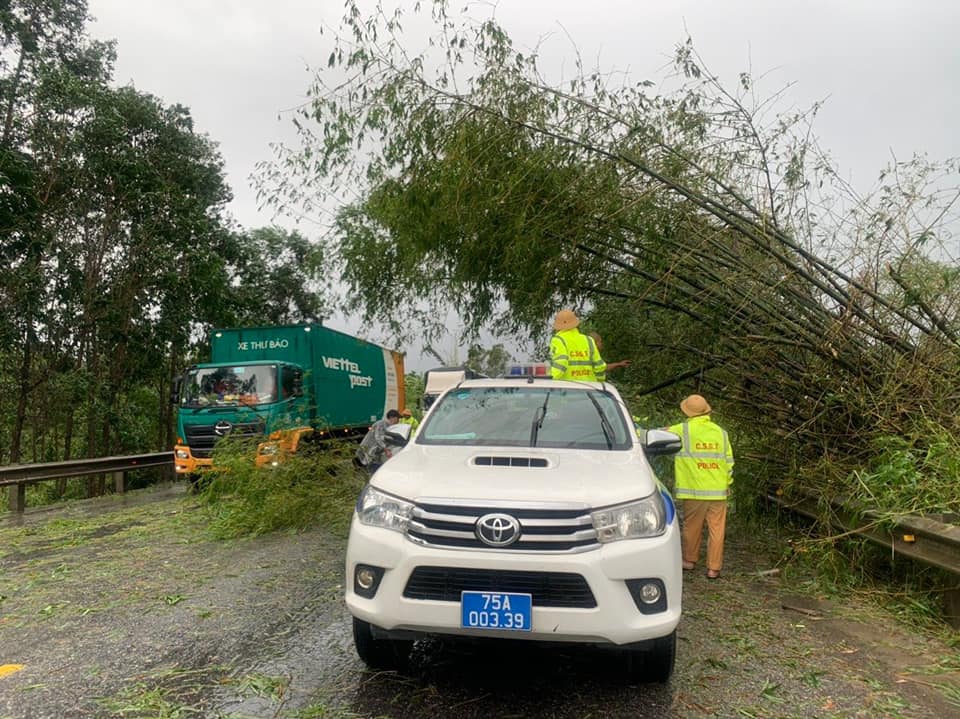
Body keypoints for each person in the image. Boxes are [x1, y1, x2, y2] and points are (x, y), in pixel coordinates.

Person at [667, 394, 734, 579]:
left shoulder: (681, 429)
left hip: (694, 491)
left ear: (686, 411)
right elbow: (729, 462)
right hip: (718, 491)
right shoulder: (721, 432)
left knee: (692, 527)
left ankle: (689, 560)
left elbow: (657, 434)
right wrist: (727, 483)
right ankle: (714, 568)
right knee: (717, 530)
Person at [548, 310, 606, 381]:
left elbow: (561, 362)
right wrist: (600, 382)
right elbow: (599, 365)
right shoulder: (589, 340)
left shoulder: (558, 340)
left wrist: (551, 379)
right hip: (589, 388)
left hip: (567, 388)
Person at [354, 409, 401, 474]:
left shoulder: (389, 426)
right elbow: (378, 438)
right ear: (392, 417)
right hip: (367, 451)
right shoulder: (381, 423)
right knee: (363, 471)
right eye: (397, 418)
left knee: (369, 471)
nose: (398, 421)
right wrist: (386, 450)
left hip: (372, 454)